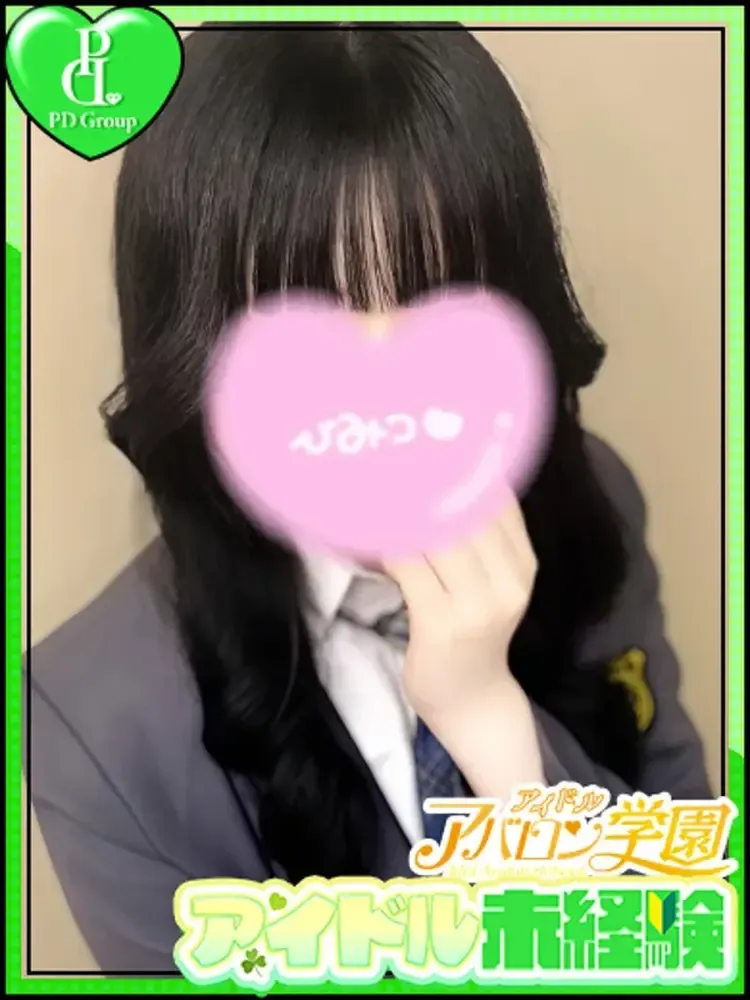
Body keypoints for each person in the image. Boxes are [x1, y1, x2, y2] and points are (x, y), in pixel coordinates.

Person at [25, 25, 712, 974]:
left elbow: (685, 926)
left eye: (443, 301)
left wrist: (497, 737)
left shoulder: (590, 500)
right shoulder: (93, 719)